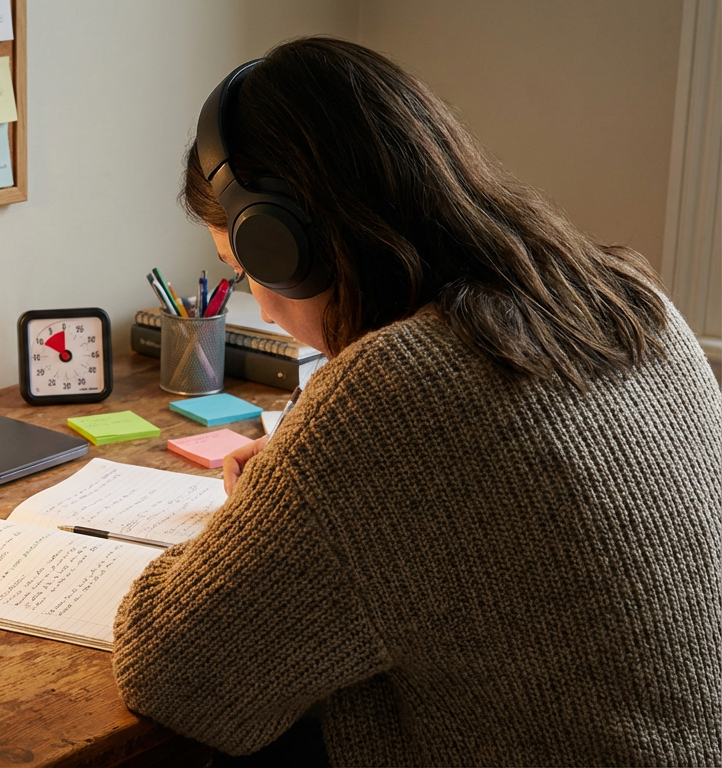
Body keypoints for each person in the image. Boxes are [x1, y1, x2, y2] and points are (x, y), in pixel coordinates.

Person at [111, 37, 722, 767]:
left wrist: (267, 513)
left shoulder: (391, 394)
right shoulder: (629, 299)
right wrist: (312, 491)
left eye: (243, 269)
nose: (265, 310)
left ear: (289, 247)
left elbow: (176, 672)